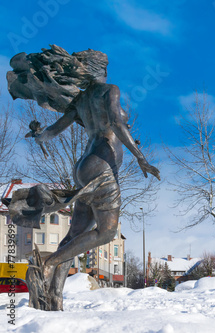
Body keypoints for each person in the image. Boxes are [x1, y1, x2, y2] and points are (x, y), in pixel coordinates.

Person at [6, 45, 160, 310]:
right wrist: (140, 157)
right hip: (102, 166)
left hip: (85, 165)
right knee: (107, 232)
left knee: (75, 234)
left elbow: (53, 131)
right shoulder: (109, 90)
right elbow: (117, 123)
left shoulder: (80, 101)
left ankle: (53, 296)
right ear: (100, 69)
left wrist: (39, 134)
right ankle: (47, 264)